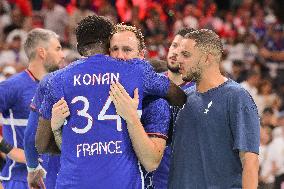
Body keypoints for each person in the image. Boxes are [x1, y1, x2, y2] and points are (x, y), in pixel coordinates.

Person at [35, 15, 185, 189]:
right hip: (121, 182)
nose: (120, 55)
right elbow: (179, 96)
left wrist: (61, 132)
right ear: (108, 44)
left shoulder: (56, 80)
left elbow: (41, 144)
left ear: (78, 48)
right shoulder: (136, 70)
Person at [168, 29, 260, 189]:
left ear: (207, 58)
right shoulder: (183, 98)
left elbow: (250, 161)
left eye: (186, 55)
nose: (179, 59)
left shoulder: (236, 96)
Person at [0, 28, 64, 189]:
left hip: (54, 177)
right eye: (57, 48)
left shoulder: (60, 86)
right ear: (42, 52)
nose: (62, 55)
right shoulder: (13, 86)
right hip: (20, 179)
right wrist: (12, 151)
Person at [153, 28, 195, 189]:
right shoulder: (150, 82)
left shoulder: (199, 92)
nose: (175, 52)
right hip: (149, 176)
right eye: (174, 45)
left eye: (184, 51)